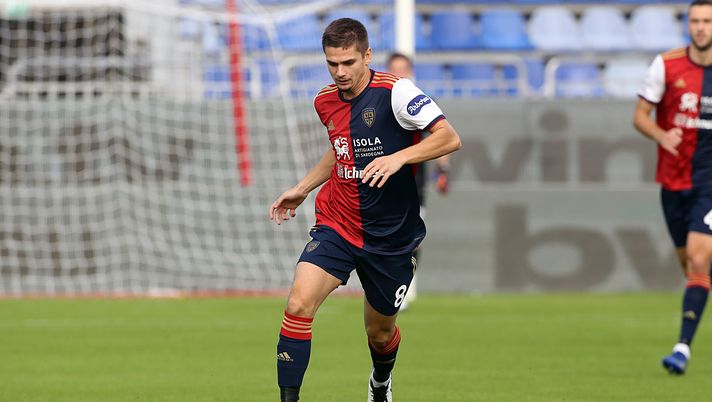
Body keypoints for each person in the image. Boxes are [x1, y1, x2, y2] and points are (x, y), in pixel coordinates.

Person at [269, 18, 461, 402]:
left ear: (367, 56)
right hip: (337, 223)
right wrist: (304, 188)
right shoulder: (324, 100)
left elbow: (449, 137)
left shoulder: (397, 92)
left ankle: (380, 382)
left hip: (390, 236)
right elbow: (341, 148)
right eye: (332, 64)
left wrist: (398, 158)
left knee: (379, 332)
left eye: (349, 63)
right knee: (298, 304)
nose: (340, 72)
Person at [633, 0, 712, 375]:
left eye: (707, 21)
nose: (701, 27)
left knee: (699, 258)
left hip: (709, 183)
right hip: (673, 180)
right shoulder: (666, 64)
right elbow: (639, 117)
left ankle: (681, 349)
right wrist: (662, 135)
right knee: (691, 266)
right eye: (695, 21)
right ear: (688, 24)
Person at [386, 52, 450, 310]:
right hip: (378, 186)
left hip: (412, 186)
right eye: (395, 70)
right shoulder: (380, 101)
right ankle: (386, 288)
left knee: (409, 240)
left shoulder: (418, 102)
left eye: (404, 69)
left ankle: (402, 289)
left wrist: (442, 171)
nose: (400, 75)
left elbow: (443, 137)